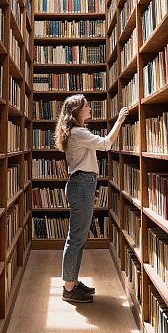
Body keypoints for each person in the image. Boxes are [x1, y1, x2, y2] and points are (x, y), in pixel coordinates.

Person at [54, 94, 129, 303]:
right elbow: (106, 144)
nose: (90, 108)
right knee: (76, 237)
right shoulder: (78, 132)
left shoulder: (77, 131)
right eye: (87, 106)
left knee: (79, 237)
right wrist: (120, 120)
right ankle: (69, 287)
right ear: (78, 111)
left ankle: (73, 282)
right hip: (82, 185)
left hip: (83, 184)